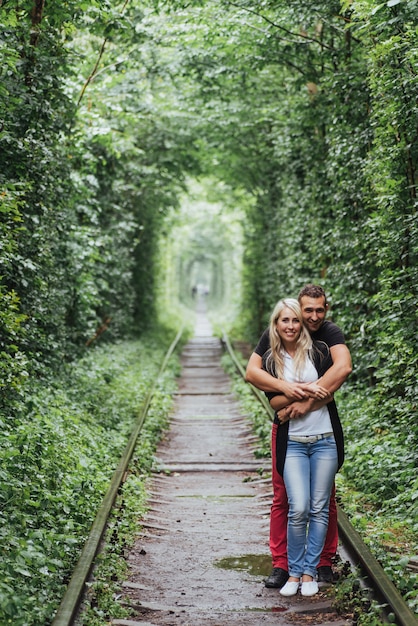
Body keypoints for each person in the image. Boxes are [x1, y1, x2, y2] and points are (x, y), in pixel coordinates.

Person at [245, 284, 352, 589]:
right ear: (297, 309)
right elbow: (253, 373)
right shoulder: (279, 332)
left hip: (320, 429)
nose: (313, 317)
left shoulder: (326, 337)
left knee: (324, 500)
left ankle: (322, 563)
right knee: (285, 498)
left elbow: (342, 368)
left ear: (326, 310)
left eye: (320, 310)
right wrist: (287, 390)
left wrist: (303, 404)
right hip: (289, 433)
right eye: (308, 310)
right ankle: (282, 564)